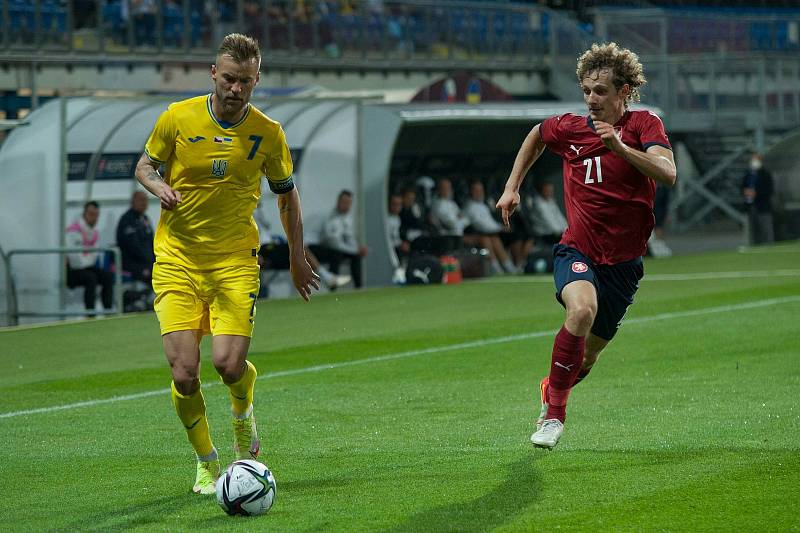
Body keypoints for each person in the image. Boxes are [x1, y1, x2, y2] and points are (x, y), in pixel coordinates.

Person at [134, 33, 320, 495]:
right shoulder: (177, 118)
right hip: (176, 260)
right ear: (214, 73)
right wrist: (158, 188)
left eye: (246, 81)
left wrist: (297, 256)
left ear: (258, 80)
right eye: (230, 78)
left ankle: (242, 418)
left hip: (235, 261)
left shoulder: (268, 133)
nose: (236, 89)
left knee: (229, 365)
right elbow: (144, 166)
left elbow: (287, 195)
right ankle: (206, 461)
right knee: (184, 372)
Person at [496, 42, 676, 449]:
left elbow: (667, 174)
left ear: (623, 92)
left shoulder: (644, 125)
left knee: (588, 358)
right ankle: (554, 416)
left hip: (624, 264)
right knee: (581, 309)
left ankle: (553, 385)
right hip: (577, 250)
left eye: (601, 91)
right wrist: (512, 188)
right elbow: (536, 135)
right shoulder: (570, 128)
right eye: (587, 90)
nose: (591, 100)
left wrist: (620, 148)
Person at [65, 201, 115, 314]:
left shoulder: (95, 232)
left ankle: (108, 312)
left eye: (97, 215)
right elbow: (76, 260)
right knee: (91, 278)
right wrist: (87, 257)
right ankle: (90, 314)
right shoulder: (73, 231)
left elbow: (92, 257)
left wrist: (86, 256)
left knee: (107, 276)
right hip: (71, 270)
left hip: (86, 267)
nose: (94, 218)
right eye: (91, 214)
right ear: (84, 214)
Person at [462, 180, 518, 274]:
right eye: (476, 190)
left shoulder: (483, 205)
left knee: (494, 239)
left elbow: (489, 222)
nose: (479, 193)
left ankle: (508, 266)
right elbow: (482, 225)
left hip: (488, 234)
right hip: (470, 236)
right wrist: (500, 228)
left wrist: (501, 227)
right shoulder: (469, 207)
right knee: (486, 239)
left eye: (481, 190)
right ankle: (495, 268)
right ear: (471, 192)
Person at [317, 190, 368, 288]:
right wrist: (355, 250)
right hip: (325, 247)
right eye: (344, 202)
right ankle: (332, 287)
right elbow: (334, 243)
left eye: (349, 203)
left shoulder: (348, 218)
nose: (347, 205)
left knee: (356, 257)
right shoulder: (330, 217)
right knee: (336, 254)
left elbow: (349, 238)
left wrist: (357, 248)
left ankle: (359, 288)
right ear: (338, 202)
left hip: (340, 247)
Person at [116, 190, 156, 294]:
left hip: (147, 261)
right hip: (131, 262)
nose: (144, 203)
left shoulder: (145, 219)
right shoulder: (126, 220)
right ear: (133, 202)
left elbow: (152, 242)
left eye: (146, 200)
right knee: (154, 275)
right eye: (141, 200)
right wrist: (148, 262)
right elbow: (132, 247)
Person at [742, 152, 775, 245]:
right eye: (753, 160)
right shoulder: (748, 174)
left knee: (766, 229)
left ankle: (769, 247)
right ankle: (753, 247)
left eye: (756, 160)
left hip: (763, 207)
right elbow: (743, 187)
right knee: (752, 231)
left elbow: (770, 190)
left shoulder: (765, 174)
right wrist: (745, 192)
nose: (754, 162)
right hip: (750, 206)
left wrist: (756, 193)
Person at [530, 181, 568, 246]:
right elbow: (549, 221)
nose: (550, 193)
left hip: (557, 233)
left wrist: (567, 229)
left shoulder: (551, 201)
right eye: (548, 190)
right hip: (545, 235)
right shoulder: (538, 204)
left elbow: (559, 217)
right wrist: (563, 233)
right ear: (542, 191)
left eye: (551, 190)